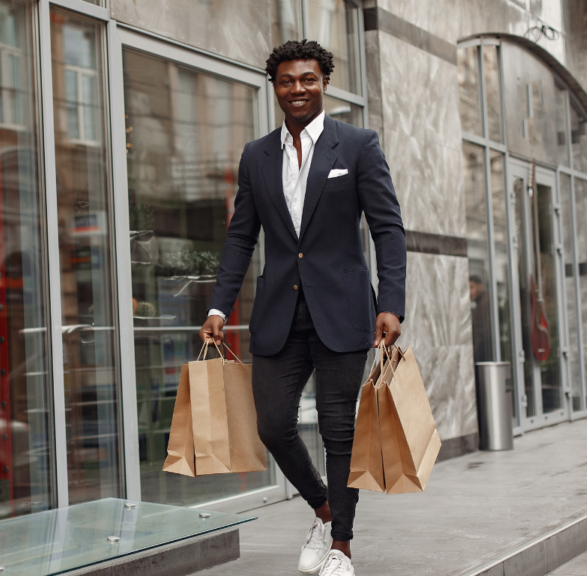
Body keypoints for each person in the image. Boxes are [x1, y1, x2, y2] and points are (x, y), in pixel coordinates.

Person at [199, 40, 405, 576]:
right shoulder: (256, 155)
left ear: (324, 83)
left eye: (308, 79)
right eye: (288, 81)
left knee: (339, 429)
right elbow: (241, 237)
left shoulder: (357, 145)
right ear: (275, 88)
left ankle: (342, 546)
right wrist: (220, 305)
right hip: (278, 312)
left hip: (343, 309)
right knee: (272, 424)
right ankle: (323, 506)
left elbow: (387, 228)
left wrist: (393, 303)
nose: (298, 89)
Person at [469, 275, 493, 363]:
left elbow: (483, 331)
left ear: (480, 287)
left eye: (472, 287)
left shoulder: (484, 304)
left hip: (485, 351)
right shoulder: (480, 303)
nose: (469, 292)